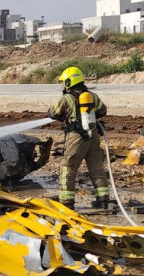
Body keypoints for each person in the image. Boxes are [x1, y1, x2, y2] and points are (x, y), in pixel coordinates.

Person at [47, 67, 110, 210]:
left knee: (67, 168)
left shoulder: (66, 98)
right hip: (93, 136)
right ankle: (103, 201)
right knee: (97, 168)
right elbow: (103, 110)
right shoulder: (92, 96)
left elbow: (53, 113)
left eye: (64, 82)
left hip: (76, 138)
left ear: (69, 82)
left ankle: (67, 203)